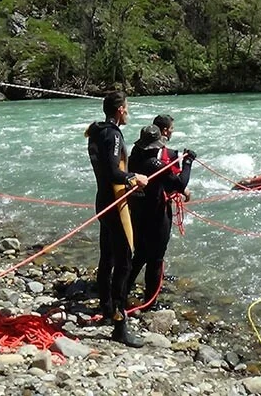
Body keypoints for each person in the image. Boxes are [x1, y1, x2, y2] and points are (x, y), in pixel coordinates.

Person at [85, 91, 149, 347]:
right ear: (121, 109)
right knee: (124, 262)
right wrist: (135, 178)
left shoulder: (97, 131)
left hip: (103, 200)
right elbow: (113, 171)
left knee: (107, 257)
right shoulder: (112, 134)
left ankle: (107, 307)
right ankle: (119, 325)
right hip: (115, 203)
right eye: (127, 107)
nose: (128, 111)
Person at [127, 124, 194, 311]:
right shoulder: (154, 164)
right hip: (156, 213)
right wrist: (188, 162)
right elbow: (180, 183)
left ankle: (123, 291)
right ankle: (150, 302)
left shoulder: (134, 157)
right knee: (156, 258)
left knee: (140, 254)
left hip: (138, 211)